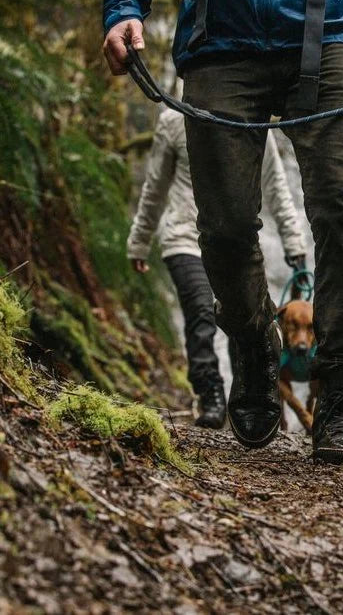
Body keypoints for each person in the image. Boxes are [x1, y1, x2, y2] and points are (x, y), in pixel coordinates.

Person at [103, 0, 343, 469]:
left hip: (330, 31)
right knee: (224, 226)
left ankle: (338, 401)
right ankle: (252, 343)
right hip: (218, 37)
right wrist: (125, 4)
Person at [127, 111, 307, 429]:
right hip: (184, 237)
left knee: (243, 318)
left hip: (234, 244)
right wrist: (139, 240)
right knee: (201, 314)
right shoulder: (172, 119)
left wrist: (294, 244)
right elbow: (155, 185)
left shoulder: (253, 117)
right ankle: (210, 396)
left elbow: (277, 187)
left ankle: (249, 394)